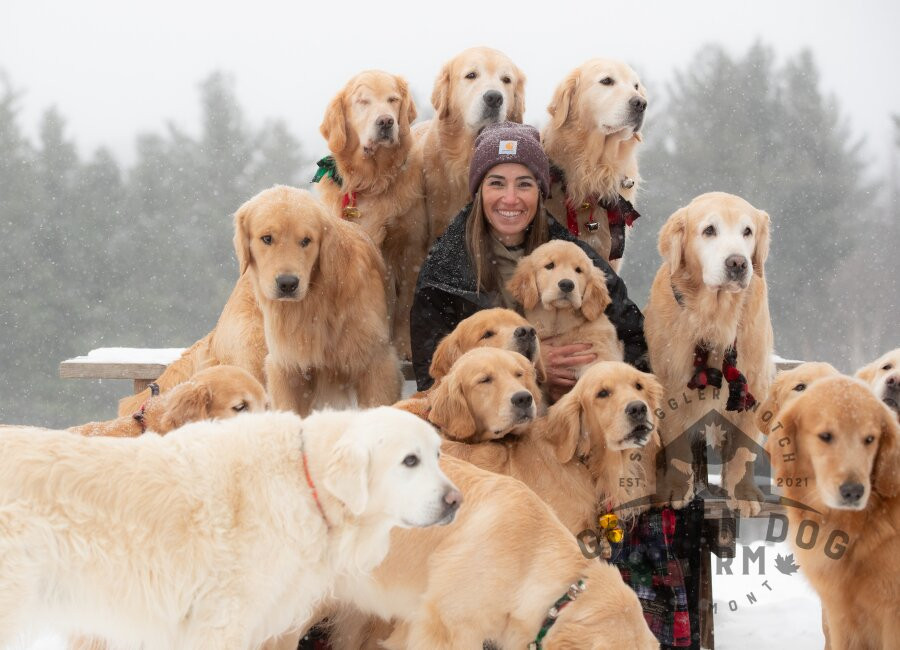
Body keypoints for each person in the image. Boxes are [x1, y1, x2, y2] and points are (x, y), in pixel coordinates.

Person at [410, 121, 648, 395]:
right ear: (478, 191)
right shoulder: (444, 269)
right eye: (497, 183)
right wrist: (528, 361)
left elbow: (638, 342)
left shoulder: (573, 257)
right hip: (489, 413)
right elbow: (432, 378)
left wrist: (598, 372)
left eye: (524, 184)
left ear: (540, 192)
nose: (510, 199)